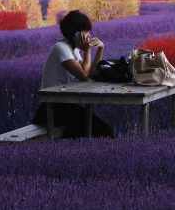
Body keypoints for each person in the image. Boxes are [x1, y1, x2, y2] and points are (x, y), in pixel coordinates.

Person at [32, 10, 114, 138]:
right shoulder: (60, 48)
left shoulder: (73, 50)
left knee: (100, 130)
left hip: (66, 106)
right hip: (53, 109)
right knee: (103, 131)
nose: (89, 36)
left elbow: (91, 73)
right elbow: (84, 76)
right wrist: (87, 51)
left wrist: (100, 50)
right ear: (76, 34)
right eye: (86, 32)